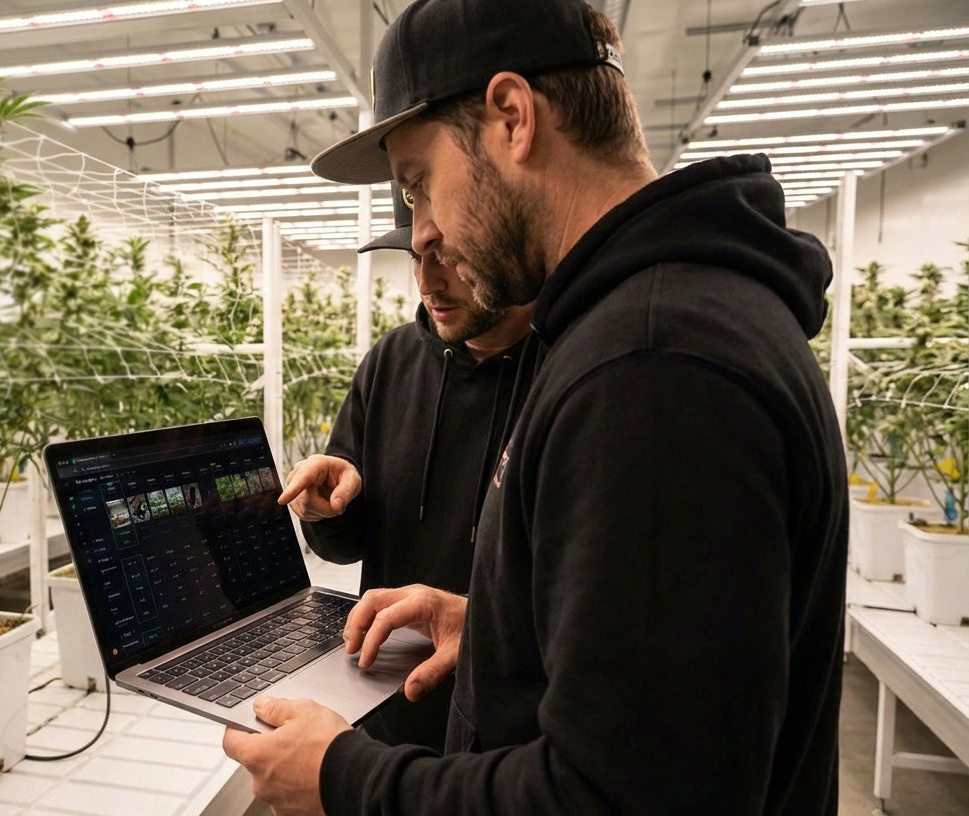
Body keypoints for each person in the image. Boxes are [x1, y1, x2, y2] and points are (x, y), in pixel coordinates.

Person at [223, 0, 848, 813]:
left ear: (513, 116)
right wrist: (494, 633)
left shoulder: (649, 367)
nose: (424, 235)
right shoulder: (664, 323)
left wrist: (346, 777)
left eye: (419, 183)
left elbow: (620, 797)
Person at [279, 182, 535, 751]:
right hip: (384, 704)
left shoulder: (565, 373)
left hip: (506, 725)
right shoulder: (390, 362)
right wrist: (323, 509)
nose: (427, 281)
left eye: (450, 256)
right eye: (416, 256)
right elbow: (347, 545)